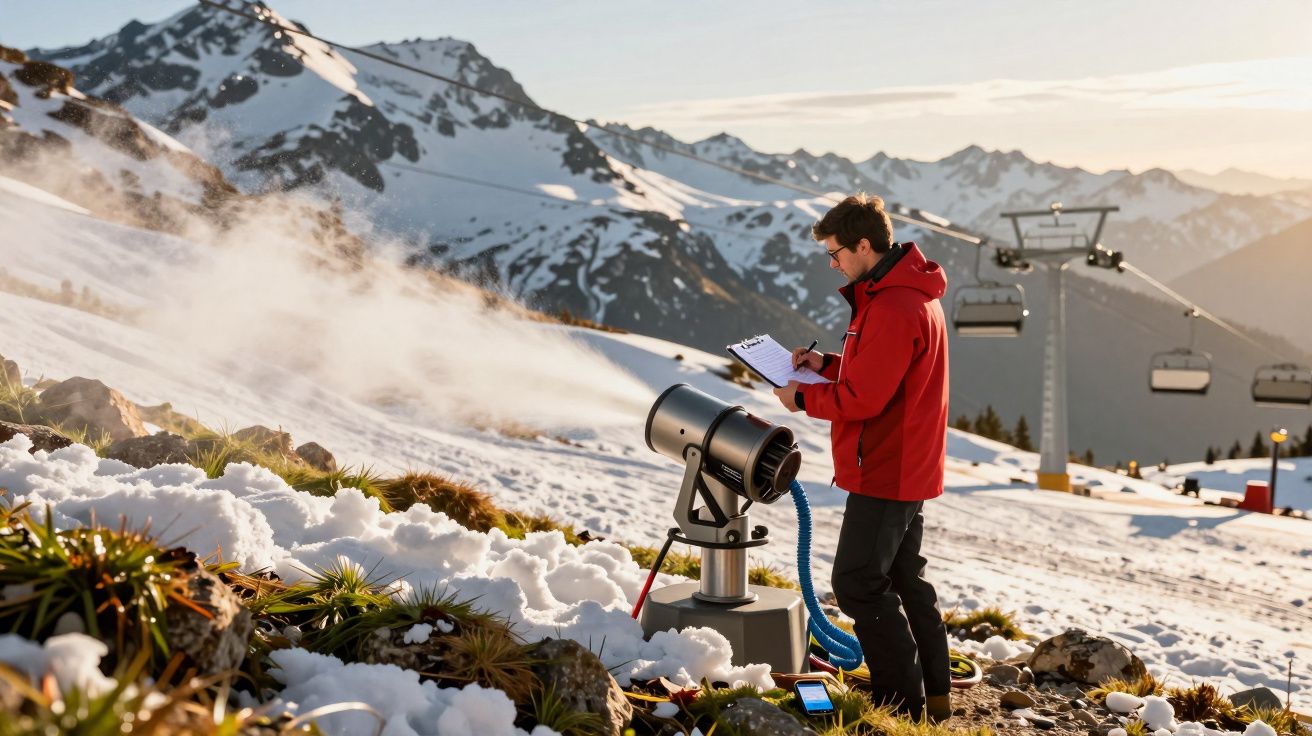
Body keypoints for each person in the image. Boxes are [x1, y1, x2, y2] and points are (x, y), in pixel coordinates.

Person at [772, 193, 951, 722]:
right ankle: (932, 698)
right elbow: (873, 372)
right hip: (906, 461)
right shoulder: (902, 293)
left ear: (864, 245)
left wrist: (800, 397)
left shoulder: (893, 306)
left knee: (857, 583)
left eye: (836, 252)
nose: (833, 263)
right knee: (903, 579)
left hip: (886, 466)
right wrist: (825, 363)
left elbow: (864, 399)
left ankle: (900, 705)